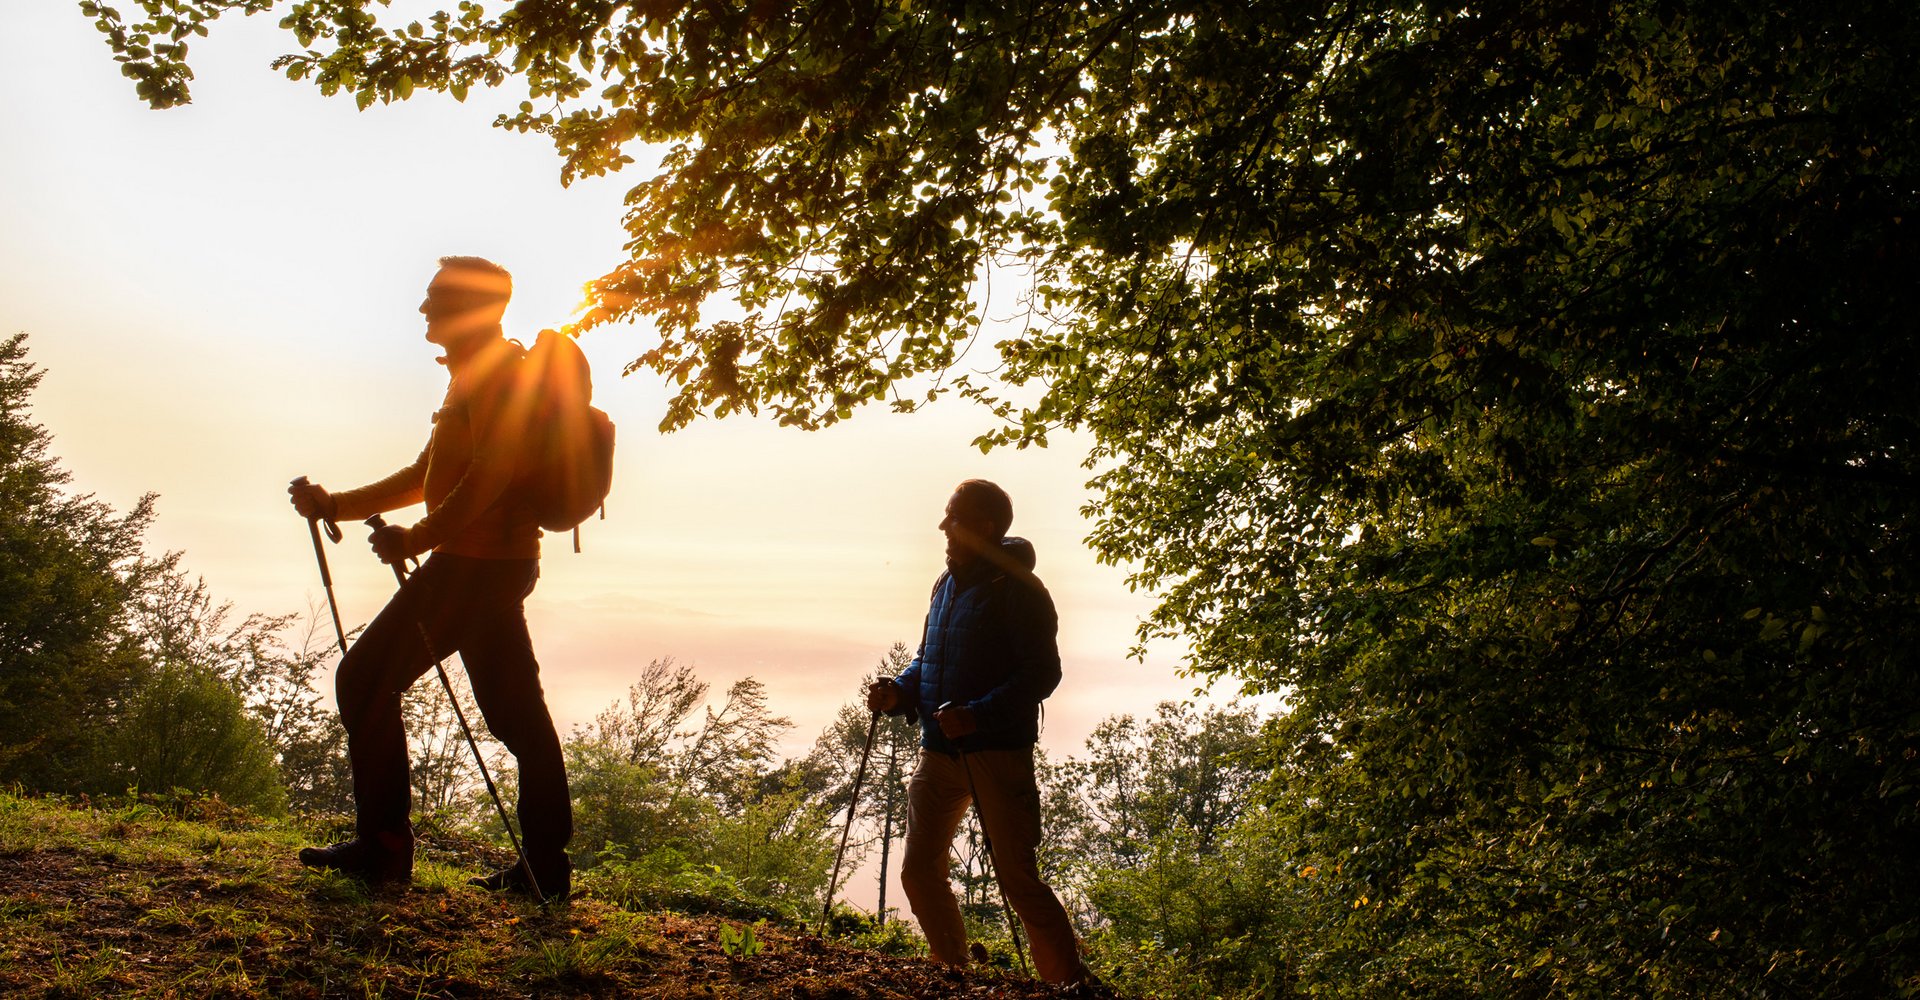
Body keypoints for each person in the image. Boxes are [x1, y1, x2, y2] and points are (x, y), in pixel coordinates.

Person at [287, 256, 573, 900]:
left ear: (477, 308)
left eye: (437, 299)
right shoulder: (474, 375)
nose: (423, 310)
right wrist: (338, 505)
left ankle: (384, 848)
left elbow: (491, 474)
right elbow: (427, 472)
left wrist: (417, 538)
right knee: (516, 715)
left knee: (363, 680)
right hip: (489, 566)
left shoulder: (497, 375)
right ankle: (546, 869)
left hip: (474, 568)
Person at [865, 479, 1089, 984]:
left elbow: (1041, 673)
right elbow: (930, 660)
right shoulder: (946, 583)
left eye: (954, 518)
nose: (943, 527)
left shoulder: (1021, 590)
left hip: (997, 752)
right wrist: (899, 692)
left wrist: (978, 714)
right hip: (939, 750)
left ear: (983, 527)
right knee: (919, 871)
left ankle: (1067, 986)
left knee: (1018, 881)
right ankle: (952, 973)